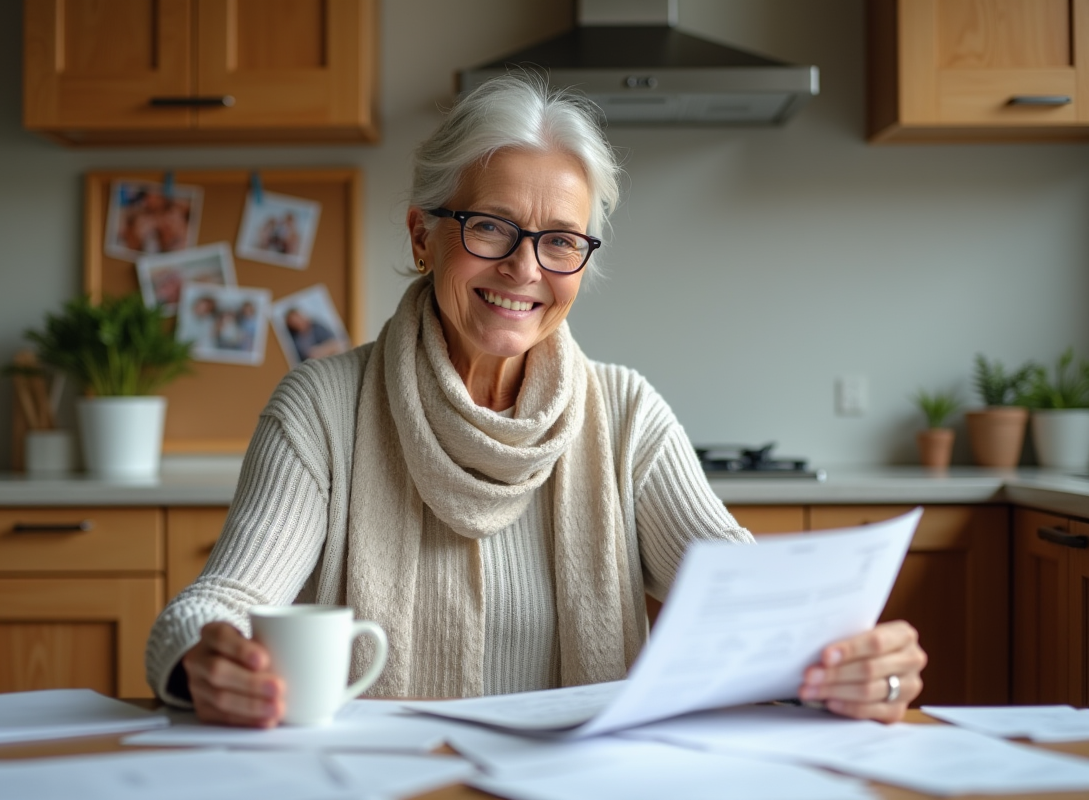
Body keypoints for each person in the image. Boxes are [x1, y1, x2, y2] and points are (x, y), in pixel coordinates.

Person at [145, 73, 926, 728]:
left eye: (561, 240)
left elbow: (755, 615)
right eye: (491, 226)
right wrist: (204, 660)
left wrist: (857, 666)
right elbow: (214, 604)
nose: (525, 269)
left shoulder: (626, 416)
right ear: (423, 236)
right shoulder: (320, 409)